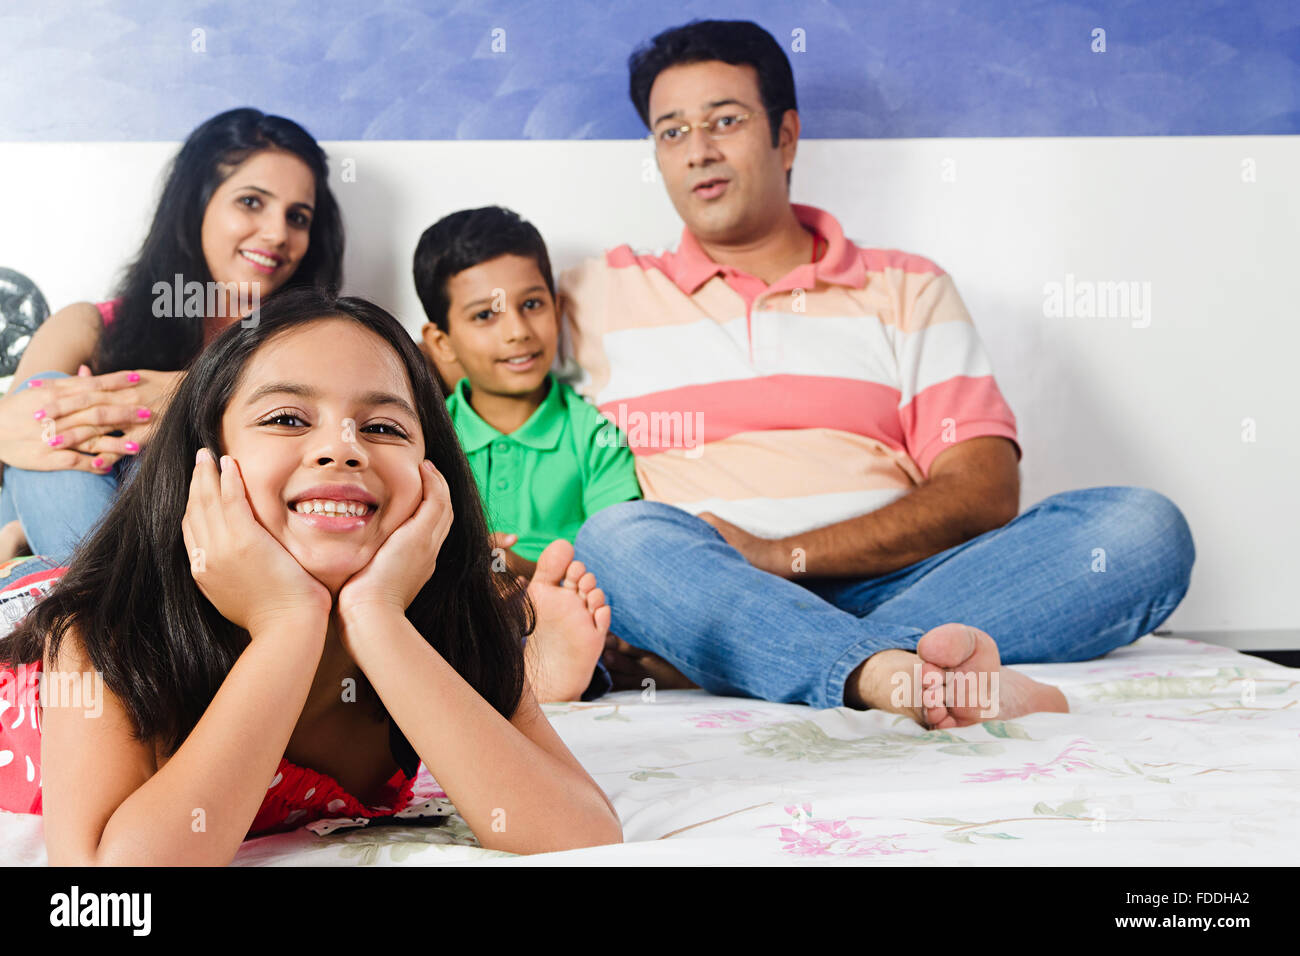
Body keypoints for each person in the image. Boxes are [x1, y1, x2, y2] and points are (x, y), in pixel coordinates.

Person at [562, 19, 1196, 728]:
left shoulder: (906, 287)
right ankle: (882, 669)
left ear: (787, 134)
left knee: (1142, 529)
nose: (698, 152)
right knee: (617, 539)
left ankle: (767, 660)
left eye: (726, 121)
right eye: (672, 132)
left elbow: (982, 489)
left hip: (909, 583)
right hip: (710, 582)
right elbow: (466, 356)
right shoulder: (595, 292)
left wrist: (779, 556)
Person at [0, 288, 622, 863]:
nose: (343, 447)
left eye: (383, 428)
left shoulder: (452, 626)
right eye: (287, 419)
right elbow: (106, 895)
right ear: (207, 460)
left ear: (433, 474)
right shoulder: (102, 633)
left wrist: (377, 618)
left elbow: (582, 838)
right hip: (27, 608)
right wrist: (286, 627)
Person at [0, 107, 345, 564]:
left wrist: (184, 395)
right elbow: (14, 427)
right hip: (97, 547)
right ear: (196, 204)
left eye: (298, 217)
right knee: (41, 399)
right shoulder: (91, 324)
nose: (278, 233)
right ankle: (98, 603)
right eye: (251, 202)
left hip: (216, 559)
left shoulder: (318, 344)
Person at [414, 206, 642, 702]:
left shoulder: (594, 436)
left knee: (588, 624)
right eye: (485, 315)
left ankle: (552, 667)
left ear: (558, 309)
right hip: (458, 611)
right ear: (442, 343)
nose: (517, 330)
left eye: (532, 305)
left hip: (562, 606)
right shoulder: (425, 442)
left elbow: (625, 561)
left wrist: (517, 568)